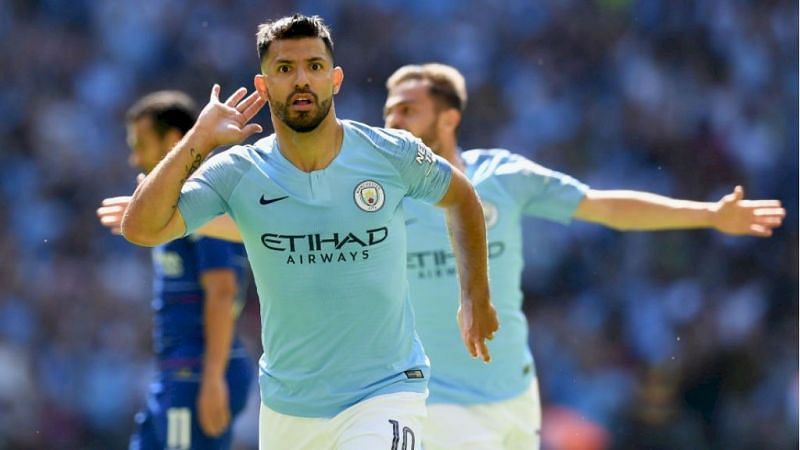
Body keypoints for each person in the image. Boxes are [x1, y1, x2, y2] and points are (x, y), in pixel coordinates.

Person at [119, 15, 498, 450]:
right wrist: (197, 143)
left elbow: (462, 196)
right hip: (288, 407)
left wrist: (475, 296)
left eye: (314, 67)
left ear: (334, 79)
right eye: (284, 69)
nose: (302, 80)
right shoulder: (239, 171)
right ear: (263, 86)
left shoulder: (388, 154)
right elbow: (141, 229)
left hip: (385, 392)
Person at [381, 63, 786, 450]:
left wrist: (710, 214)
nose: (393, 120)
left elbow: (606, 208)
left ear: (449, 119)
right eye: (390, 110)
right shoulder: (381, 196)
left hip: (516, 394)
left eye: (408, 109)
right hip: (440, 402)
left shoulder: (503, 177)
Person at [96, 91, 253, 450]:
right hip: (178, 370)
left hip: (197, 372)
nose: (134, 156)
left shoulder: (201, 198)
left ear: (171, 140)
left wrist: (212, 378)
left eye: (141, 143)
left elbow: (223, 290)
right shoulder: (169, 206)